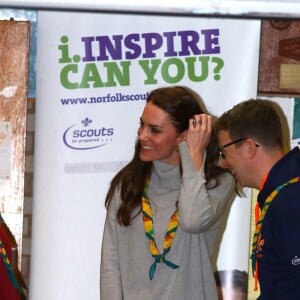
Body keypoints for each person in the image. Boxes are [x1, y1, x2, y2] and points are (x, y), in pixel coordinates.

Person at [100, 86, 236, 299]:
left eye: (154, 129)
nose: (142, 135)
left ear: (183, 137)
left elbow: (192, 221)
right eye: (142, 125)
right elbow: (111, 264)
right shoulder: (127, 184)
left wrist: (194, 158)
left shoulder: (217, 183)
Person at [215, 99, 300, 300]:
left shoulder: (290, 202)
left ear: (250, 147)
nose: (223, 163)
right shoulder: (281, 195)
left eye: (224, 152)